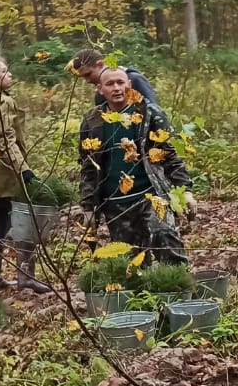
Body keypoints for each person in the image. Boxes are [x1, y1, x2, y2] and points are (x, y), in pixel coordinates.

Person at [78, 67, 191, 265]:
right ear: (100, 89)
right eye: (110, 84)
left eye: (121, 83)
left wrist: (186, 190)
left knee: (165, 238)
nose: (116, 88)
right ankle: (143, 294)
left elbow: (170, 154)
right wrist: (88, 207)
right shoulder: (92, 121)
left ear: (129, 85)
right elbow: (88, 167)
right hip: (116, 204)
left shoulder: (148, 113)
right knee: (132, 264)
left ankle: (180, 291)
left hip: (151, 195)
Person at [0, 55, 50, 294]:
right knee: (27, 223)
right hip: (3, 173)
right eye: (4, 72)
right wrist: (24, 170)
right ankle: (26, 278)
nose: (10, 75)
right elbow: (5, 139)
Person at [70, 47, 159, 110]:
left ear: (100, 64)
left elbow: (154, 113)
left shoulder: (135, 79)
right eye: (83, 77)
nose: (88, 80)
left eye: (88, 74)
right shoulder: (100, 94)